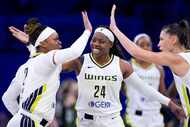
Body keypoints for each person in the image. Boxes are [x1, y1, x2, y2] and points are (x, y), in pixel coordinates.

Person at [10, 23, 186, 127]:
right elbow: (47, 63)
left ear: (110, 44)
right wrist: (34, 45)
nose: (95, 43)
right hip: (86, 122)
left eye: (101, 41)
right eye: (94, 40)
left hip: (112, 122)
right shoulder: (79, 61)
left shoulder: (122, 65)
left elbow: (144, 89)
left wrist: (169, 103)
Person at [2, 11, 92, 127]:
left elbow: (7, 98)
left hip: (25, 122)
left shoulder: (26, 66)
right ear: (43, 43)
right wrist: (87, 31)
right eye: (55, 39)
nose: (60, 42)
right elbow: (74, 52)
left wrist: (21, 117)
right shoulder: (46, 59)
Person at [110, 4, 190, 126]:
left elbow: (135, 52)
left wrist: (115, 29)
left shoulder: (174, 58)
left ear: (173, 40)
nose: (158, 44)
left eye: (162, 39)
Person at [123, 33, 166, 127]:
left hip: (155, 118)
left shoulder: (159, 68)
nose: (145, 48)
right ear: (134, 47)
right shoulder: (127, 66)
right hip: (134, 117)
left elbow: (163, 94)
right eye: (141, 45)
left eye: (148, 45)